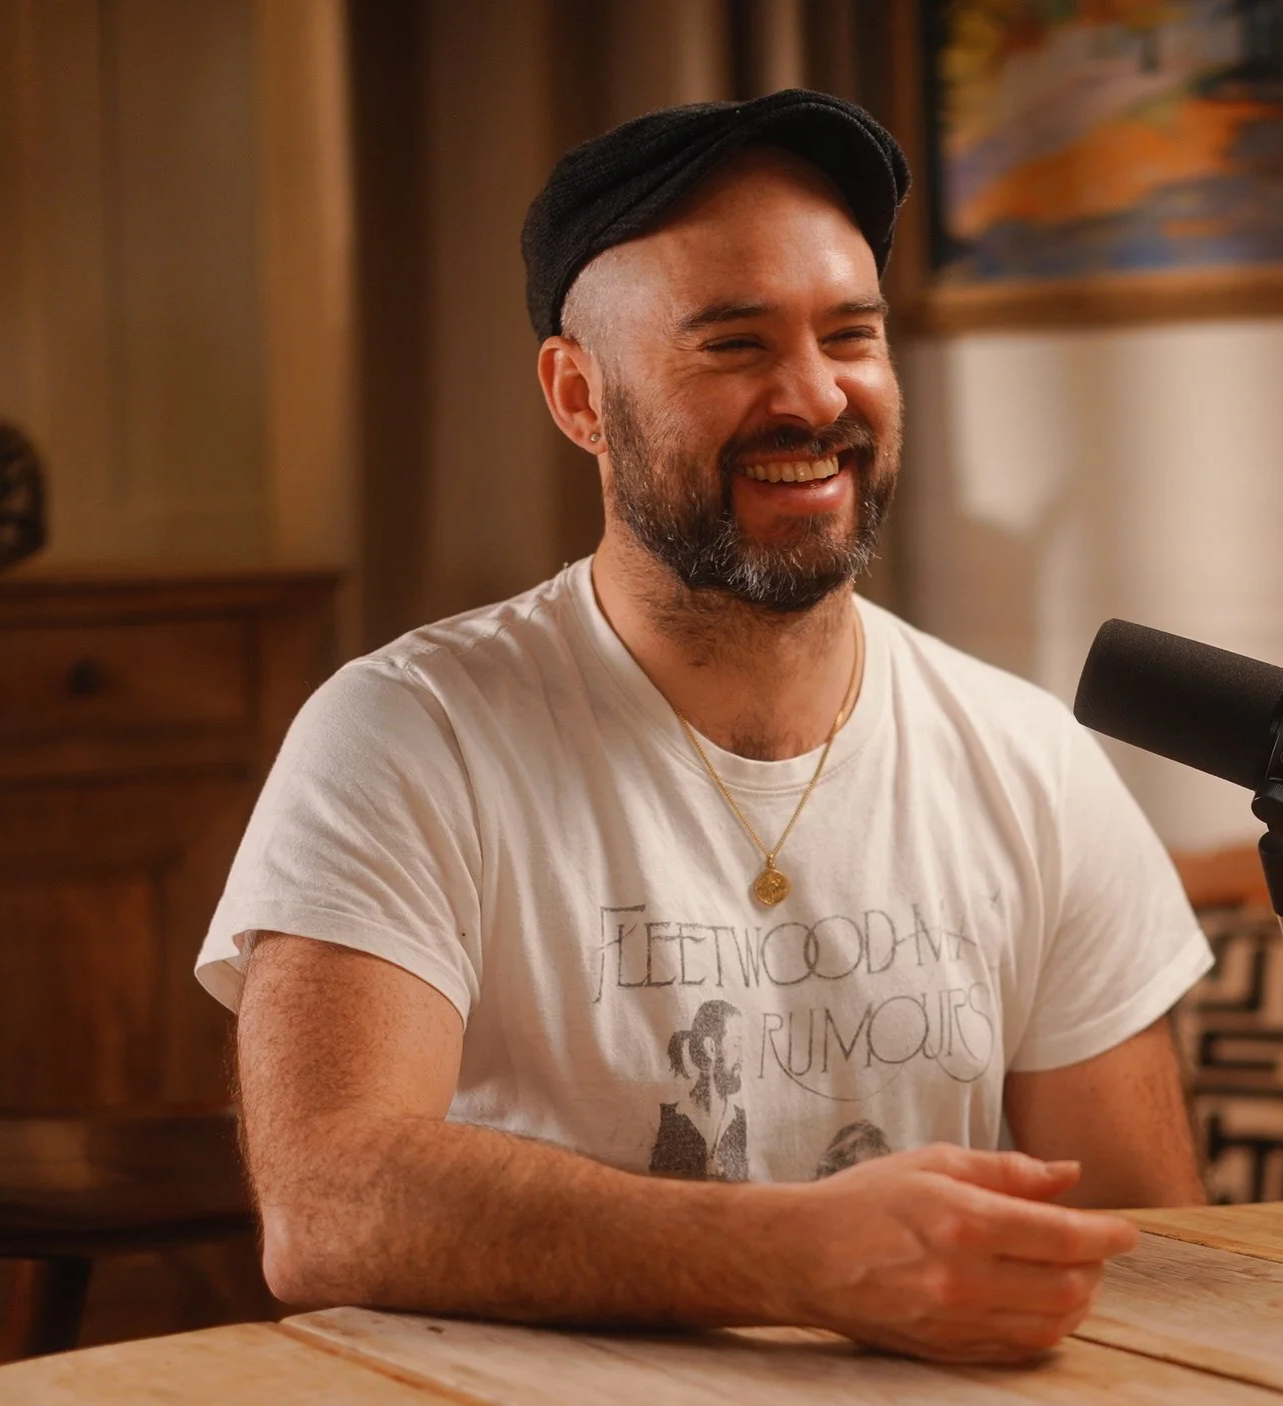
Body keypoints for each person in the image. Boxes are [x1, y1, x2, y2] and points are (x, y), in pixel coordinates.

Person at [197, 90, 1213, 1365]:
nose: (812, 397)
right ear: (579, 396)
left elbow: (1146, 1238)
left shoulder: (1031, 759)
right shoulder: (405, 734)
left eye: (851, 334)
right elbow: (324, 1202)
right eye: (733, 345)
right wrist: (801, 1257)